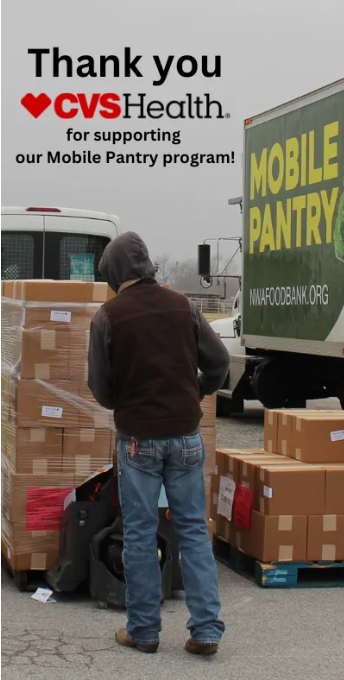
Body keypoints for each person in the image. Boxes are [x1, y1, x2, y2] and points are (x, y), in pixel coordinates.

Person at [87, 232, 230, 655]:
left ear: (112, 273)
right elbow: (220, 362)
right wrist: (199, 391)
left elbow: (101, 387)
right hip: (186, 436)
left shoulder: (107, 316)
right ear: (148, 265)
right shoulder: (183, 306)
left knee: (139, 534)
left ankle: (144, 631)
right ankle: (205, 630)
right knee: (192, 531)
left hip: (138, 442)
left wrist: (124, 402)